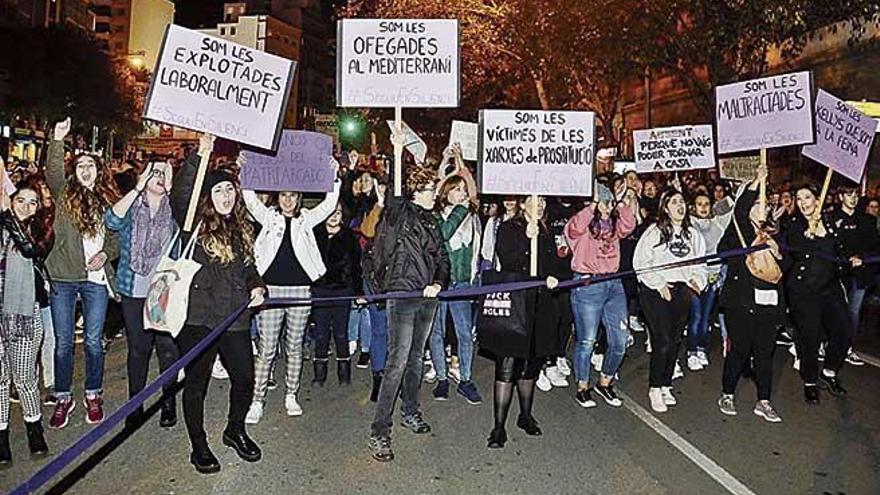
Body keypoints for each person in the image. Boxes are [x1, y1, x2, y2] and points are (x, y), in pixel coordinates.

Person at [170, 135, 267, 474]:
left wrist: (257, 286)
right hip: (197, 319)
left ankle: (234, 430)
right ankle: (199, 446)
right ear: (208, 197)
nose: (226, 196)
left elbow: (249, 267)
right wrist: (201, 154)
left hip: (235, 317)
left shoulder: (241, 227)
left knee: (245, 377)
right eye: (219, 191)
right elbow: (182, 194)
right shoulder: (193, 224)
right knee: (196, 384)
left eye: (230, 190)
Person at [242, 155, 341, 422]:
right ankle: (257, 399)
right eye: (283, 195)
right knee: (267, 348)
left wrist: (334, 175)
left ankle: (291, 394)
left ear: (299, 198)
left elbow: (329, 203)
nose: (288, 200)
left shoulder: (306, 220)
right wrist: (247, 171)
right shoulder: (269, 217)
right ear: (278, 197)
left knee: (295, 346)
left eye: (293, 195)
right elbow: (250, 200)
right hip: (270, 291)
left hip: (300, 291)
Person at [366, 165, 449, 463]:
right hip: (402, 294)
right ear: (415, 191)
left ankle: (410, 411)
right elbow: (395, 193)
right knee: (397, 361)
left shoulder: (432, 221)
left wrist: (439, 281)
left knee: (416, 358)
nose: (434, 194)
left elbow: (442, 257)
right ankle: (379, 431)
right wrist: (398, 151)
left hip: (427, 298)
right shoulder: (400, 213)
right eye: (429, 189)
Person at [45, 118, 120, 429]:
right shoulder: (64, 196)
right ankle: (63, 397)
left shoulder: (108, 200)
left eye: (91, 165)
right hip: (63, 277)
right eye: (81, 166)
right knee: (63, 342)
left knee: (92, 341)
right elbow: (52, 173)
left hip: (96, 281)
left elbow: (117, 238)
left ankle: (93, 393)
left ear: (99, 170)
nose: (86, 170)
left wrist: (106, 254)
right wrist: (56, 140)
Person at [105, 160, 179, 429]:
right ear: (143, 177)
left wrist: (172, 188)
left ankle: (168, 402)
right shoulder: (132, 207)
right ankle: (135, 404)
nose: (158, 177)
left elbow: (193, 220)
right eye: (154, 172)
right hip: (134, 288)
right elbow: (111, 221)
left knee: (167, 348)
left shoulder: (175, 209)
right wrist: (136, 189)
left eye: (164, 172)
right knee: (139, 348)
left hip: (164, 289)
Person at [483, 195, 559, 448]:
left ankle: (525, 416)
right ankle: (498, 427)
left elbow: (552, 265)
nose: (540, 206)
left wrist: (552, 277)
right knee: (507, 368)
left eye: (543, 202)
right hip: (516, 305)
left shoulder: (546, 230)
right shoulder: (509, 228)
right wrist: (528, 237)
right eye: (534, 201)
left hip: (540, 305)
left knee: (530, 366)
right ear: (523, 203)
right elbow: (510, 261)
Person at [716, 165, 784, 422]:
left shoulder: (776, 232)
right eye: (759, 202)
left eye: (765, 204)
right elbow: (740, 210)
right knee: (741, 349)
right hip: (741, 302)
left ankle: (763, 400)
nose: (763, 207)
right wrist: (757, 181)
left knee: (765, 353)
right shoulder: (739, 229)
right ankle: (727, 392)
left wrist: (778, 254)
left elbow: (787, 266)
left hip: (769, 302)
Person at [634, 190, 707, 413]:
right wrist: (659, 284)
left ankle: (666, 384)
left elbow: (700, 262)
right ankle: (655, 387)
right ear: (665, 207)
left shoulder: (693, 234)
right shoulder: (654, 232)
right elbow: (640, 263)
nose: (680, 205)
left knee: (675, 340)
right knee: (663, 340)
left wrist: (697, 280)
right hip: (656, 291)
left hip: (681, 291)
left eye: (682, 201)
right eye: (674, 202)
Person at [565, 183, 636, 408]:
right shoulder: (583, 222)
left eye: (609, 202)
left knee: (620, 340)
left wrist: (622, 202)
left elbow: (630, 225)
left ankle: (605, 382)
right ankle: (582, 386)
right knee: (587, 340)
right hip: (588, 283)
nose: (608, 206)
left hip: (613, 283)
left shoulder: (614, 224)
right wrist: (593, 204)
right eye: (604, 202)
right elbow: (573, 228)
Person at [781, 185, 853, 404]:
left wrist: (852, 258)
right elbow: (795, 248)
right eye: (799, 198)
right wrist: (808, 236)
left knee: (843, 331)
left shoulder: (831, 222)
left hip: (830, 288)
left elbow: (841, 250)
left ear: (818, 199)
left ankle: (829, 372)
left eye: (807, 197)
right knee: (809, 337)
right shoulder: (794, 224)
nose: (803, 202)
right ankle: (810, 380)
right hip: (804, 291)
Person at [0, 177, 53, 463]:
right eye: (19, 199)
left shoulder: (42, 231)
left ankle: (35, 431)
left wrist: (9, 218)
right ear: (10, 198)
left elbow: (31, 251)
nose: (25, 206)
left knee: (25, 378)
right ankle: (1, 437)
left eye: (32, 202)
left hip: (23, 312)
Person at [429, 169, 483, 404]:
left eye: (464, 189)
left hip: (462, 282)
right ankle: (441, 378)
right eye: (456, 189)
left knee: (464, 333)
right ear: (446, 191)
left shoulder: (472, 217)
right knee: (437, 332)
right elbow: (443, 234)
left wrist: (474, 279)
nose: (462, 194)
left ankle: (466, 380)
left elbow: (476, 252)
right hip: (439, 283)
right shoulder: (435, 216)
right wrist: (461, 209)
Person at [828, 184, 879, 367]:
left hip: (860, 273)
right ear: (841, 197)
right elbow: (829, 245)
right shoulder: (831, 218)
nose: (853, 198)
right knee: (836, 310)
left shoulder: (867, 220)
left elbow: (875, 245)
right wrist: (845, 258)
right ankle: (830, 342)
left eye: (856, 194)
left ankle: (847, 346)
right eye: (849, 194)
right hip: (838, 273)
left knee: (853, 311)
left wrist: (862, 258)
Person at [311, 200, 361, 386]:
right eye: (330, 212)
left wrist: (358, 292)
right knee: (321, 334)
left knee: (341, 334)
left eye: (338, 213)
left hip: (342, 291)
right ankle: (319, 373)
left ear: (343, 216)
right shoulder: (315, 235)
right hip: (320, 290)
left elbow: (356, 267)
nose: (334, 217)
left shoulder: (349, 237)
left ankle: (344, 371)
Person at [686, 191, 734, 371]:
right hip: (695, 279)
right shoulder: (689, 223)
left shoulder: (718, 223)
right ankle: (691, 351)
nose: (704, 207)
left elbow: (732, 204)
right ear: (693, 206)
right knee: (696, 317)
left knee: (705, 318)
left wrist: (741, 185)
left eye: (707, 203)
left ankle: (701, 348)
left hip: (713, 278)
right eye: (699, 204)